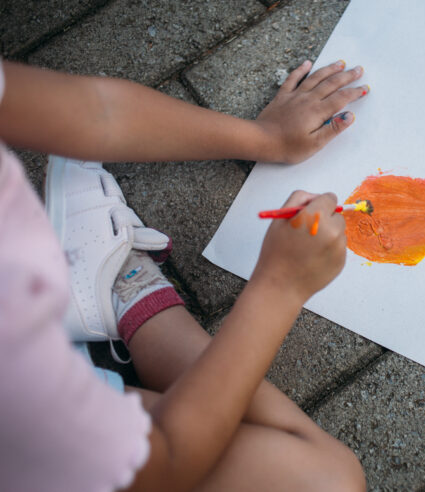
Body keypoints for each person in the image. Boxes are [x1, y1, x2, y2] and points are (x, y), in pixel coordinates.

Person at [0, 57, 369, 491]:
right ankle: (124, 289)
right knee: (329, 482)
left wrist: (265, 138)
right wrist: (280, 285)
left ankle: (124, 287)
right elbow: (166, 459)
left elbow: (97, 111)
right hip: (30, 430)